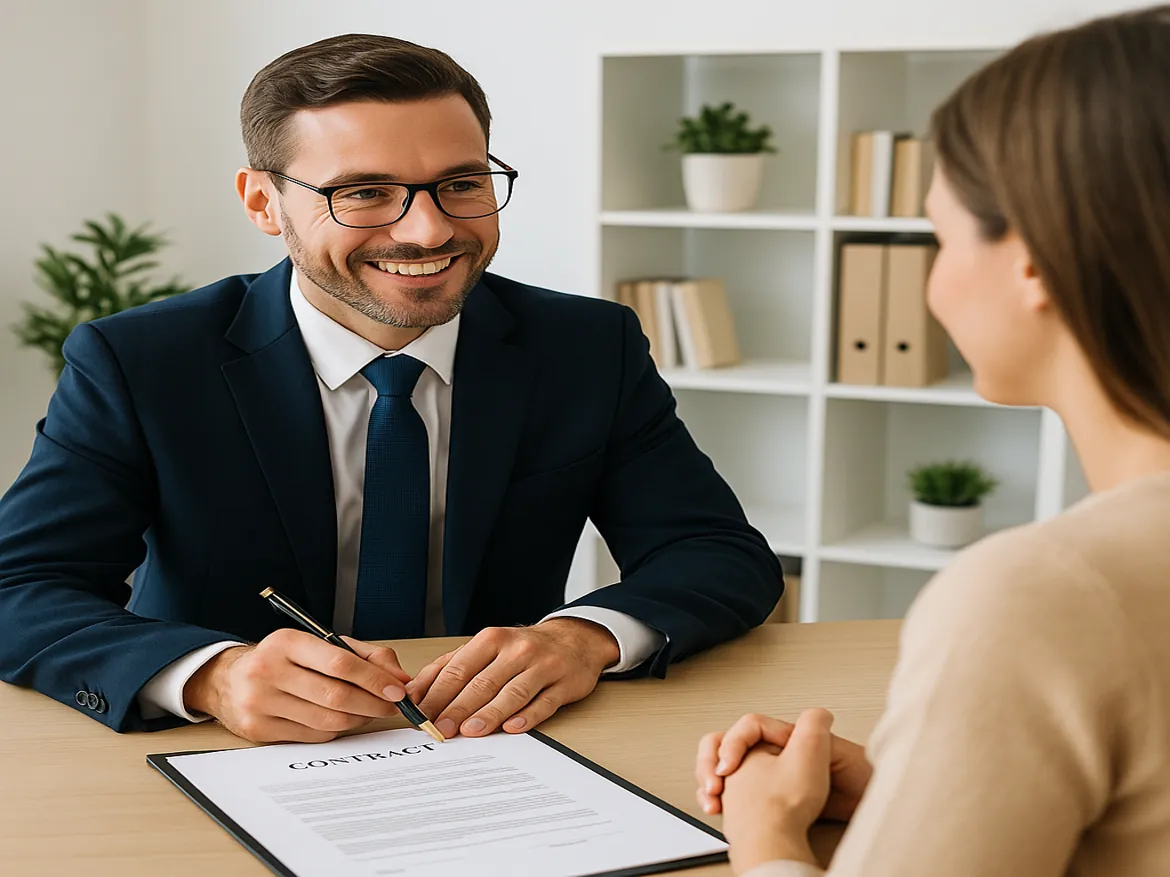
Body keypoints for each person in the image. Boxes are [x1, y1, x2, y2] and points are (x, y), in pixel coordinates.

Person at [0, 34, 783, 743]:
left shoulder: (587, 346)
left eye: (461, 183)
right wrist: (212, 675)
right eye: (364, 192)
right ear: (263, 202)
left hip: (493, 745)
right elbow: (20, 585)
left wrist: (583, 638)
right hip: (222, 752)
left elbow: (716, 552)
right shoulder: (141, 360)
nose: (428, 230)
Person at [694, 6, 1170, 875]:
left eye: (939, 238)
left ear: (1032, 261)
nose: (931, 284)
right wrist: (918, 789)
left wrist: (765, 830)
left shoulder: (1045, 595)